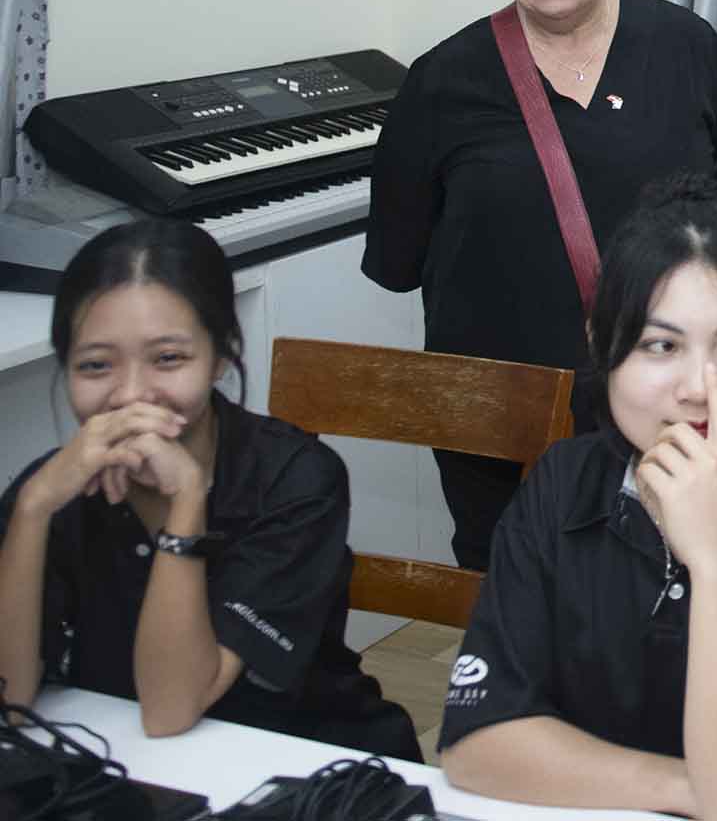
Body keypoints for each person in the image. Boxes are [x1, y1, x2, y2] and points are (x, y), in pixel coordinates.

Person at [439, 176, 717, 815]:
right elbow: (476, 746)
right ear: (605, 346)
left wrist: (713, 558)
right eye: (662, 345)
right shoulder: (564, 481)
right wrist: (690, 790)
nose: (698, 387)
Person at [363, 0, 717, 568]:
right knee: (511, 600)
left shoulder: (687, 49)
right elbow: (400, 255)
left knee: (664, 596)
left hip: (668, 402)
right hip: (495, 421)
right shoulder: (442, 82)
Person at [0, 221, 418, 757]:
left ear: (220, 356)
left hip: (305, 762)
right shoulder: (51, 490)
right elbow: (12, 697)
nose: (131, 394)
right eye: (96, 365)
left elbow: (172, 707)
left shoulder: (294, 478)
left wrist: (188, 503)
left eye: (169, 358)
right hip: (128, 760)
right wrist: (32, 510)